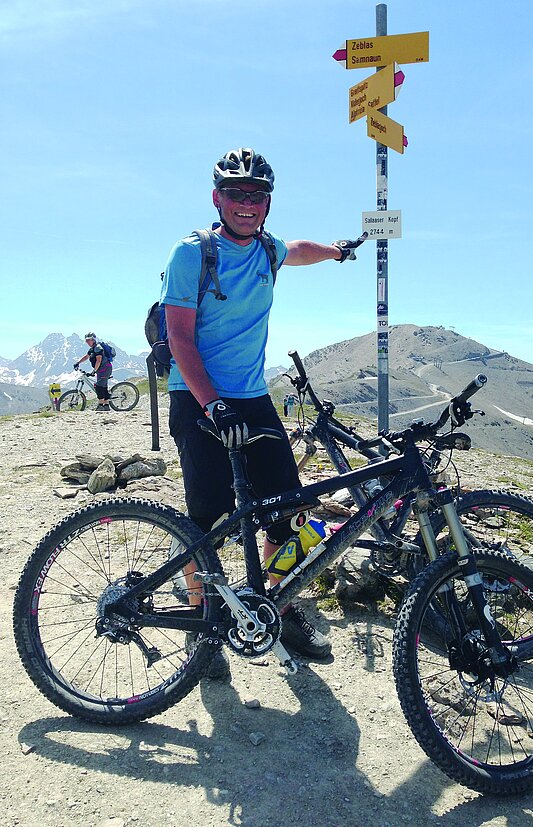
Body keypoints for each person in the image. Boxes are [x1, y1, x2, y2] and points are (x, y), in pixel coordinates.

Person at [161, 147, 364, 676]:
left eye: (257, 195)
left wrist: (339, 251)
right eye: (236, 193)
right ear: (217, 198)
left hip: (253, 399)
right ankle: (203, 624)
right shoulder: (192, 255)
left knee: (288, 511)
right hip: (197, 395)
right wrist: (212, 404)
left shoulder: (267, 250)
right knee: (205, 519)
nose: (246, 203)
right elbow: (179, 335)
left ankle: (281, 605)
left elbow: (298, 249)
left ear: (267, 203)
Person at [74, 333, 113, 412]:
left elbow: (98, 360)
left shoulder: (98, 348)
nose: (87, 342)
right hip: (101, 370)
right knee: (103, 386)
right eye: (86, 341)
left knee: (98, 386)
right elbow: (86, 356)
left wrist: (94, 371)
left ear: (93, 340)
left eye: (88, 340)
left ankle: (101, 405)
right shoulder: (92, 348)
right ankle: (106, 405)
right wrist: (78, 362)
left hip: (105, 369)